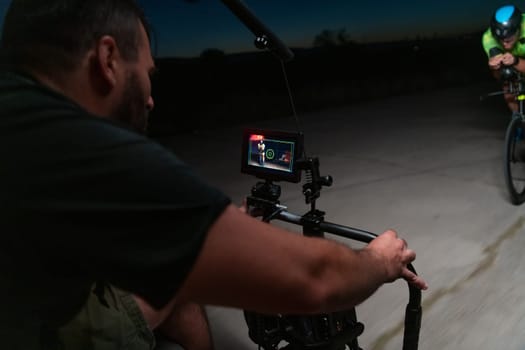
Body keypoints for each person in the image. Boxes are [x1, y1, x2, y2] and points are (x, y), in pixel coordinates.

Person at [0, 1, 427, 350]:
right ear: (108, 60)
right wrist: (377, 260)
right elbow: (312, 280)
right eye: (147, 75)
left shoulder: (21, 118)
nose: (150, 99)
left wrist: (214, 232)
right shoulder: (72, 144)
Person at [482, 4, 525, 112]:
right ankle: (519, 120)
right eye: (500, 39)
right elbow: (498, 77)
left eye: (508, 39)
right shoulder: (488, 38)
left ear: (518, 30)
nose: (504, 44)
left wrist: (515, 61)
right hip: (514, 58)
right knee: (508, 87)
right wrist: (495, 68)